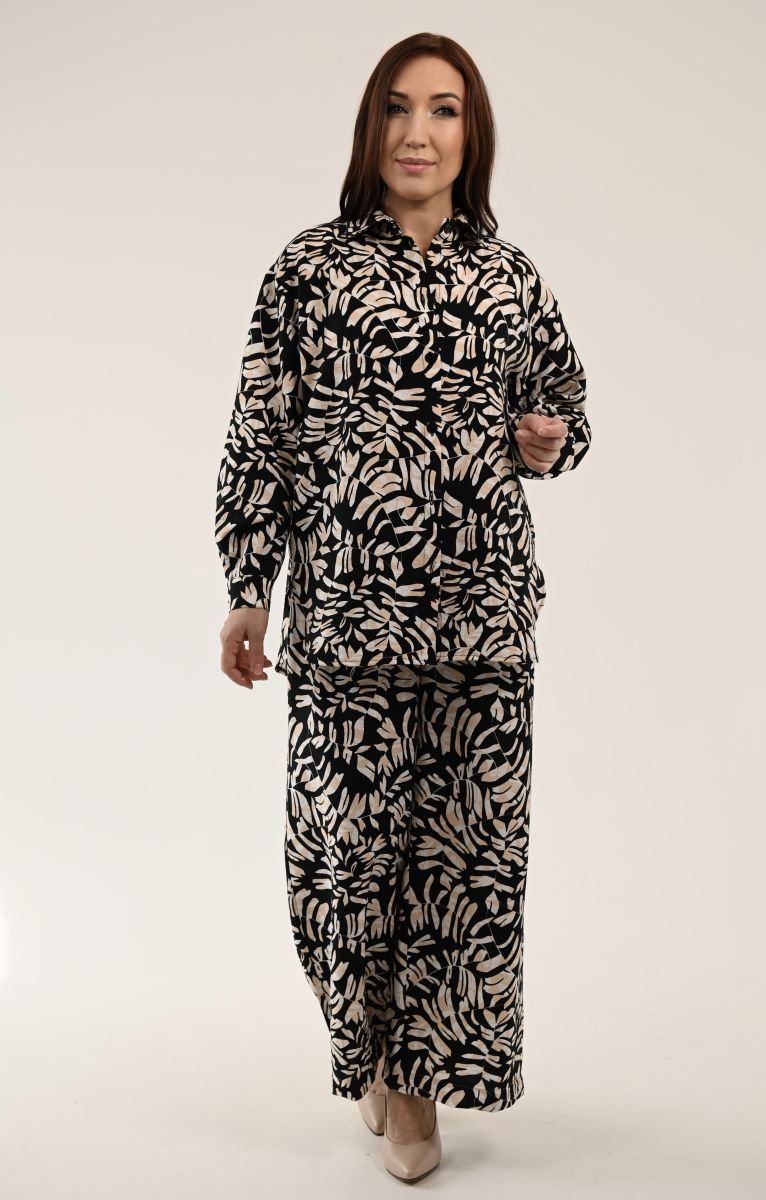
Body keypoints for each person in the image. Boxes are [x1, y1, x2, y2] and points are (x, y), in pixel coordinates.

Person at [214, 31, 591, 1184]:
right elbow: (262, 435)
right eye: (397, 107)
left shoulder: (509, 276)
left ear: (472, 135)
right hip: (345, 625)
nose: (418, 132)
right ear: (369, 127)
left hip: (482, 626)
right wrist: (247, 587)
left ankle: (417, 1089)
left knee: (460, 870)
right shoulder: (308, 269)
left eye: (443, 110)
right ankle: (369, 1049)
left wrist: (551, 439)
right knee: (343, 866)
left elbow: (566, 411)